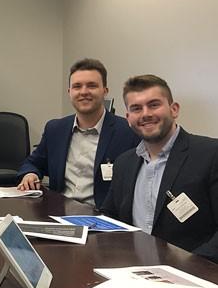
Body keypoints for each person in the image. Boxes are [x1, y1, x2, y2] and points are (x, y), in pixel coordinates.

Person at [101, 75, 218, 262]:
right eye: (136, 108)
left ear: (174, 109)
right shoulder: (124, 163)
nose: (145, 114)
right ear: (128, 117)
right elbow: (109, 217)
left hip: (192, 278)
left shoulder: (210, 155)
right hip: (132, 271)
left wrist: (193, 268)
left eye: (154, 104)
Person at [16, 58, 140, 207]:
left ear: (105, 91)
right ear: (69, 92)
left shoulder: (128, 131)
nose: (84, 92)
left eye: (92, 86)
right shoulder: (55, 129)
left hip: (104, 219)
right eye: (77, 86)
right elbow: (32, 163)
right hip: (57, 214)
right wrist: (31, 174)